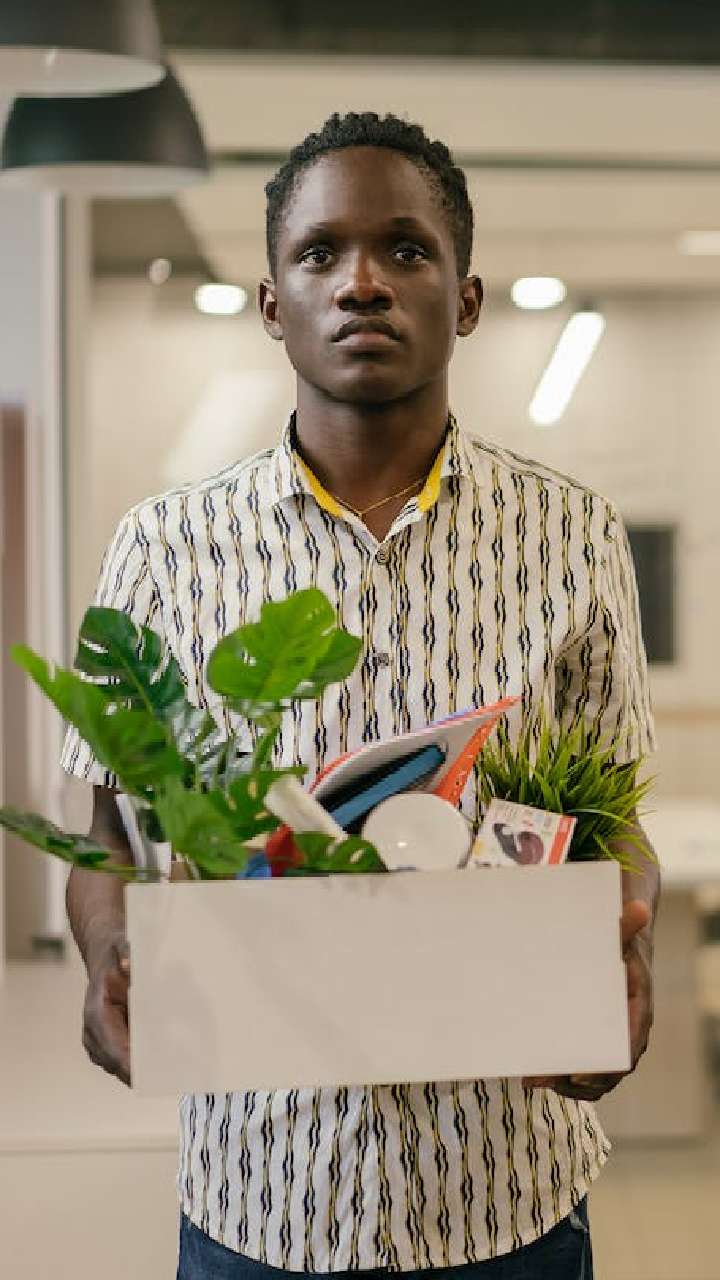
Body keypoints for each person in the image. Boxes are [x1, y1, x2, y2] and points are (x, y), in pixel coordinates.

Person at [63, 112, 659, 1280]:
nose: (363, 282)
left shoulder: (575, 535)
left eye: (407, 249)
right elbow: (106, 835)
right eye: (320, 253)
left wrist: (622, 951)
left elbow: (616, 818)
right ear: (273, 303)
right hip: (260, 1192)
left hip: (507, 1189)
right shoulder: (166, 548)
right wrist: (107, 953)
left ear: (466, 300)